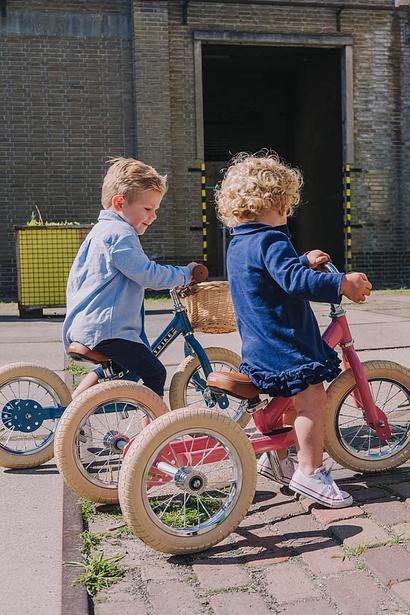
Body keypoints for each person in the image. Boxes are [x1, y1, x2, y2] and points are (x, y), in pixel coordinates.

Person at [215, 152, 372, 508]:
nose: (287, 214)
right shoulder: (272, 240)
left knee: (289, 403)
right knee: (312, 399)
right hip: (285, 343)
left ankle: (283, 460)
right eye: (285, 207)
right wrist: (339, 282)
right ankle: (311, 472)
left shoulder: (240, 243)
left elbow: (270, 275)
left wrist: (302, 261)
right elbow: (294, 282)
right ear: (275, 203)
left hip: (259, 344)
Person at [63, 157, 198, 399]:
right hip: (108, 329)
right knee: (155, 373)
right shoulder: (119, 233)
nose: (153, 216)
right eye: (148, 209)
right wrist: (185, 274)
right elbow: (148, 275)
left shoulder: (99, 232)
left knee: (117, 367)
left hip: (90, 326)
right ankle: (153, 431)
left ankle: (72, 408)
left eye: (156, 210)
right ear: (119, 202)